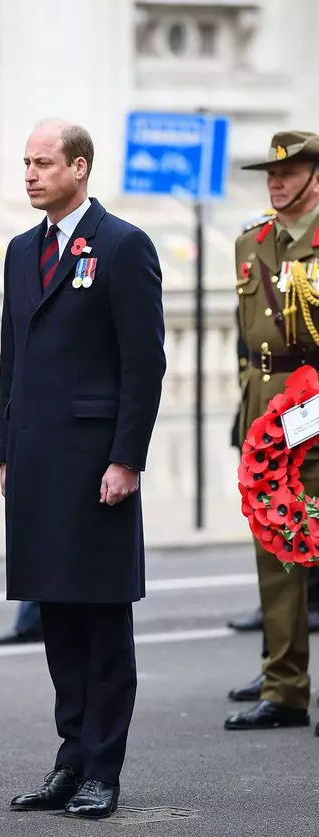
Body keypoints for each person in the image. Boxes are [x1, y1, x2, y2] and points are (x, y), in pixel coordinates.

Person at [0, 120, 165, 819]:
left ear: (80, 166)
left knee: (101, 617)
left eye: (43, 162)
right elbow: (13, 354)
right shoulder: (19, 250)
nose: (30, 174)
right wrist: (6, 448)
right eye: (26, 163)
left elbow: (143, 361)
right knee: (57, 615)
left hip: (97, 465)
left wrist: (126, 457)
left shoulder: (124, 245)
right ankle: (70, 758)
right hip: (37, 463)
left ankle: (104, 766)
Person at [225, 131, 319, 732]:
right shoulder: (251, 242)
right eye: (270, 174)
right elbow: (246, 344)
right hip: (273, 417)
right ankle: (285, 688)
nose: (276, 181)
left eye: (290, 172)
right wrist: (249, 416)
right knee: (278, 550)